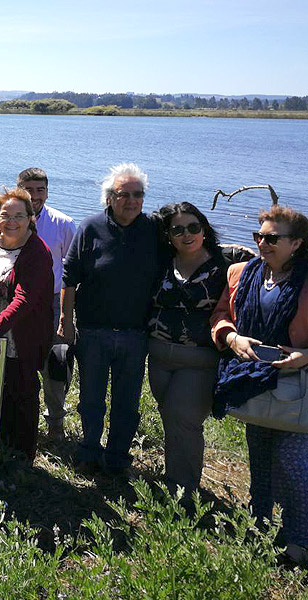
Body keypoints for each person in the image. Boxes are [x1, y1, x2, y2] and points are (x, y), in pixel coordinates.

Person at [211, 205, 308, 563]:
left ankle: (299, 543)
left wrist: (305, 355)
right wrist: (232, 338)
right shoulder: (241, 273)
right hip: (253, 381)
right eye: (259, 237)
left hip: (296, 387)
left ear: (296, 243)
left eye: (272, 238)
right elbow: (221, 315)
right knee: (261, 462)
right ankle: (259, 531)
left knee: (294, 466)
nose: (263, 244)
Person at [60, 163, 159, 477]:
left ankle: (117, 458)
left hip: (136, 333)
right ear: (109, 198)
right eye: (123, 194)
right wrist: (67, 321)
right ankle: (88, 452)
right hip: (92, 331)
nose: (131, 200)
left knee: (127, 404)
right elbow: (69, 278)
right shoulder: (90, 228)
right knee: (90, 400)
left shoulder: (155, 230)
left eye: (137, 194)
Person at [148, 202, 232, 495]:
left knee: (184, 418)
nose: (187, 234)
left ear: (204, 229)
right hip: (158, 356)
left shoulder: (225, 266)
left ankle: (182, 492)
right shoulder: (161, 262)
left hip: (199, 360)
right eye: (178, 229)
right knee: (171, 418)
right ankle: (177, 480)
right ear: (168, 235)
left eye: (193, 227)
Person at [0, 187, 53, 463]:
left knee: (23, 396)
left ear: (31, 218)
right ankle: (0, 447)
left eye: (19, 215)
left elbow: (24, 300)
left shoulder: (37, 252)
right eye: (5, 215)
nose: (12, 221)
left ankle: (22, 457)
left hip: (22, 337)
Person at [16, 168, 76, 440]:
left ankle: (55, 423)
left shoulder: (63, 223)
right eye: (28, 189)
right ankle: (20, 421)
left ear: (47, 192)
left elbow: (73, 273)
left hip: (52, 302)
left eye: (40, 189)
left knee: (55, 364)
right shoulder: (3, 220)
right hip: (16, 302)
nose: (35, 195)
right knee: (20, 363)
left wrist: (67, 314)